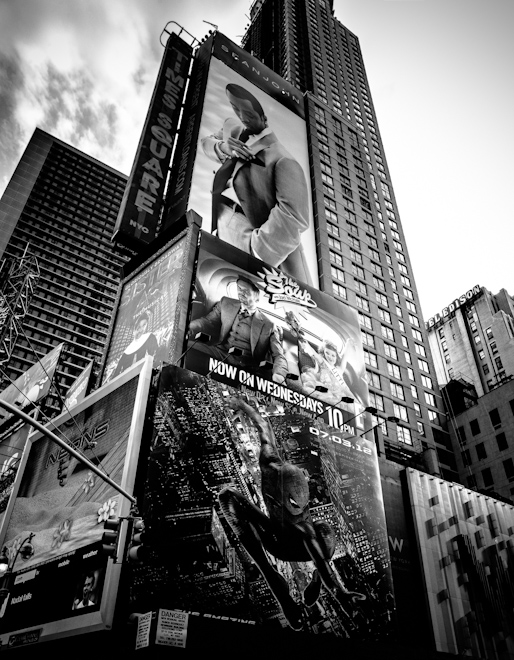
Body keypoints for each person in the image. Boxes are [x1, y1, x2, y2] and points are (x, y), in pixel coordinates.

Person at [219, 397, 364, 631]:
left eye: (302, 504)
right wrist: (242, 406)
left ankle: (313, 579)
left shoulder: (302, 523)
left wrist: (340, 592)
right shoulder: (269, 461)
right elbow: (263, 426)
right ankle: (272, 577)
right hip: (278, 541)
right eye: (295, 504)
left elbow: (322, 562)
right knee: (227, 496)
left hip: (303, 547)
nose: (300, 509)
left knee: (322, 529)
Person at [202, 84, 312, 285]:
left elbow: (294, 216)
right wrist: (223, 147)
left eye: (249, 115)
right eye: (236, 109)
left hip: (257, 247)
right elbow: (206, 142)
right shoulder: (232, 128)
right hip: (222, 223)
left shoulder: (282, 158)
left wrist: (256, 251)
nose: (242, 118)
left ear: (264, 118)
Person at [188, 276, 288, 384]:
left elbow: (278, 355)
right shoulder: (225, 303)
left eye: (245, 291)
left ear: (257, 298)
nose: (241, 292)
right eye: (239, 289)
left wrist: (279, 375)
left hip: (246, 367)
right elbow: (206, 322)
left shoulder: (269, 325)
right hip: (219, 352)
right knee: (187, 346)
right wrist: (189, 328)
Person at [111, 312, 158, 379]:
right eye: (139, 327)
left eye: (144, 325)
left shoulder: (150, 337)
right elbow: (116, 374)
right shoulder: (128, 349)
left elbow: (154, 355)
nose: (141, 329)